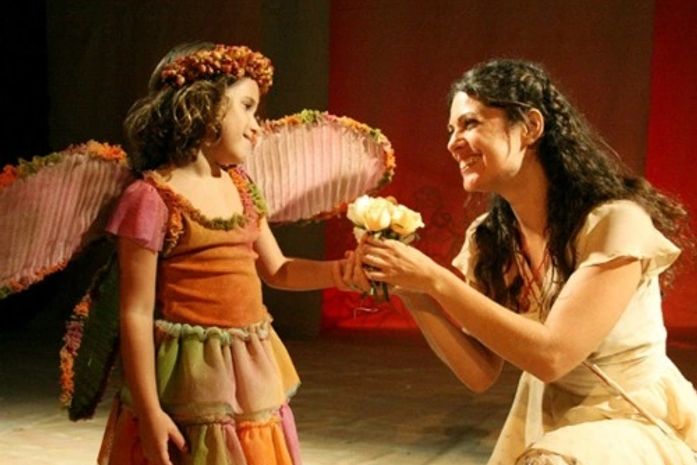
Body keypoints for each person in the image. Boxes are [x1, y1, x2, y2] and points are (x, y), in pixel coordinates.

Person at [359, 59, 697, 464]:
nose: (453, 143)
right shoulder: (490, 241)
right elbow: (479, 373)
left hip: (632, 416)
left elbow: (553, 357)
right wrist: (411, 290)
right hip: (551, 419)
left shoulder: (614, 224)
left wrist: (434, 278)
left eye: (470, 123)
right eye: (451, 130)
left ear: (531, 126)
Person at [98, 41, 360, 465]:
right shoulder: (151, 198)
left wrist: (341, 273)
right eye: (247, 107)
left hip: (249, 372)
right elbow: (135, 311)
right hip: (190, 377)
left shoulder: (242, 187)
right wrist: (149, 412)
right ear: (203, 106)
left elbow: (279, 270)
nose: (257, 127)